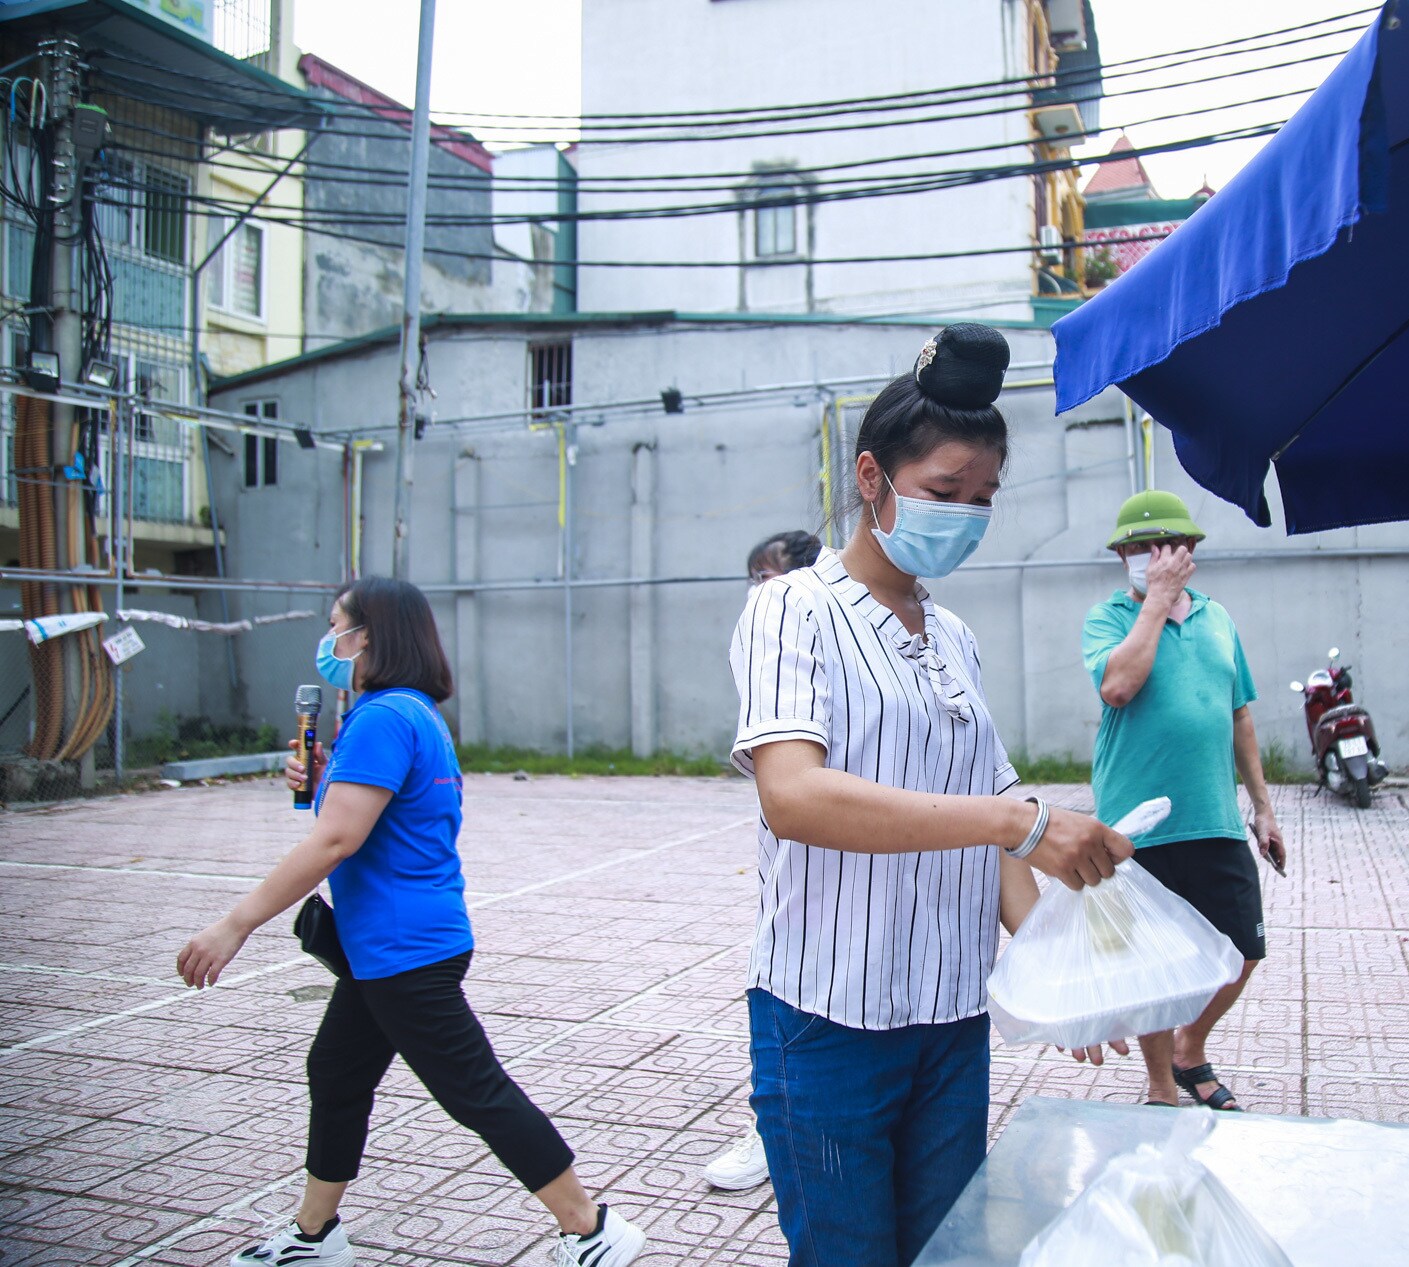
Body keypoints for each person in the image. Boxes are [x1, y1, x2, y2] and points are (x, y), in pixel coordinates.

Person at [729, 323, 1133, 1267]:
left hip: (952, 1017)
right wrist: (1022, 821)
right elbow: (792, 795)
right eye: (945, 492)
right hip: (828, 1020)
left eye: (983, 498)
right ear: (871, 478)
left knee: (951, 1253)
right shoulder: (792, 608)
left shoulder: (952, 636)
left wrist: (1051, 965)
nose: (966, 513)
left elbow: (995, 827)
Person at [177, 578, 647, 1267]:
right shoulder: (406, 712)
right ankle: (315, 1234)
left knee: (474, 1089)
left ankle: (592, 1226)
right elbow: (357, 819)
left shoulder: (383, 718)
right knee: (336, 1070)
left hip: (404, 949)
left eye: (336, 625)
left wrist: (234, 924)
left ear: (367, 635)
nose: (329, 641)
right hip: (390, 945)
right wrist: (319, 783)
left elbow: (336, 840)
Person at [1083, 490, 1289, 1112]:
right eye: (1138, 549)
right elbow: (1118, 687)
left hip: (1213, 819)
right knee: (1151, 964)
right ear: (1121, 555)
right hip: (1137, 825)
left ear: (1190, 551)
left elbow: (1240, 715)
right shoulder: (1109, 619)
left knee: (1244, 947)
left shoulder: (1219, 620)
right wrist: (1157, 603)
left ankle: (1189, 1045)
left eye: (1165, 547)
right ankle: (1160, 1083)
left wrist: (1263, 807)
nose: (1152, 558)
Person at [702, 527, 826, 1194]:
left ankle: (779, 1128)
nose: (758, 592)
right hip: (796, 866)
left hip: (843, 875)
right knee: (783, 984)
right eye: (752, 579)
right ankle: (769, 1126)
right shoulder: (768, 645)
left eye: (768, 576)